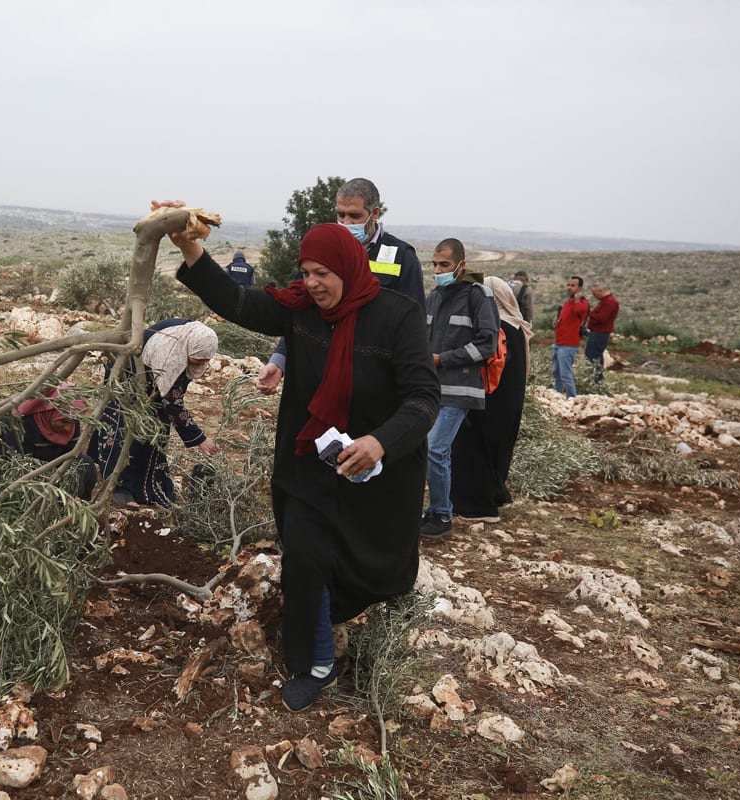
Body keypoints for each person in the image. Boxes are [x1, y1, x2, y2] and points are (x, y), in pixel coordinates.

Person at [167, 207, 439, 712]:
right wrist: (189, 248)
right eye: (306, 272)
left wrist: (380, 442)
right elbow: (238, 303)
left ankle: (344, 616)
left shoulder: (397, 317)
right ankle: (314, 662)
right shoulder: (299, 309)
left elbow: (424, 397)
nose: (311, 284)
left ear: (350, 269)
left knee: (368, 567)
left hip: (377, 472)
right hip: (309, 461)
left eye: (323, 274)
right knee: (306, 556)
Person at [255, 177, 425, 394]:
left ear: (374, 214)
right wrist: (280, 360)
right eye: (341, 215)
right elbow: (299, 309)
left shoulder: (401, 257)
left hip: (374, 381)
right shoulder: (321, 250)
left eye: (355, 216)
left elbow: (414, 326)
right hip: (320, 371)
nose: (346, 222)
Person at [420, 239, 499, 540]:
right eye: (435, 265)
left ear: (461, 265)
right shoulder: (434, 297)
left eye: (445, 265)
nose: (438, 270)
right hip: (430, 389)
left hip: (460, 388)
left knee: (436, 448)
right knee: (425, 449)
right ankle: (430, 512)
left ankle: (442, 515)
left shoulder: (479, 296)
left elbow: (487, 345)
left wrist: (443, 359)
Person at [96, 318, 220, 507]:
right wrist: (199, 438)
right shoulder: (170, 350)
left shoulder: (194, 338)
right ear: (188, 349)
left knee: (156, 428)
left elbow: (173, 393)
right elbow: (172, 401)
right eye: (198, 359)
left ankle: (149, 487)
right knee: (124, 425)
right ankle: (120, 487)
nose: (200, 364)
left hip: (153, 383)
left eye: (205, 360)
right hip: (127, 375)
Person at [451, 276, 532, 522]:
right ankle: (495, 493)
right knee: (497, 449)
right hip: (510, 401)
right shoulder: (518, 326)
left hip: (489, 399)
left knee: (473, 448)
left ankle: (477, 506)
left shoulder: (496, 326)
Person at [2, 383, 97, 500]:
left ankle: (78, 507)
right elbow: (17, 465)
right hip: (24, 473)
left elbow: (72, 455)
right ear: (50, 411)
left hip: (55, 468)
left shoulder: (71, 418)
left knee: (86, 464)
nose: (68, 428)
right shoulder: (21, 423)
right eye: (64, 422)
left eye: (73, 422)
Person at [552, 276, 590, 397]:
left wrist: (577, 299)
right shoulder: (567, 303)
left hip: (568, 345)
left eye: (572, 285)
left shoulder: (583, 303)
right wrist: (556, 322)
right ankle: (557, 397)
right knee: (556, 373)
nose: (569, 288)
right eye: (568, 285)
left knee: (565, 375)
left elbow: (579, 311)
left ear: (579, 288)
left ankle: (572, 399)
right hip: (559, 343)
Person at [585, 282, 619, 384]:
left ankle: (595, 380)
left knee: (593, 356)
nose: (594, 297)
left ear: (600, 291)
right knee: (594, 356)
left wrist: (590, 314)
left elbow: (601, 318)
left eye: (595, 294)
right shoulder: (605, 301)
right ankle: (595, 379)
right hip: (597, 332)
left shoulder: (610, 302)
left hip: (600, 333)